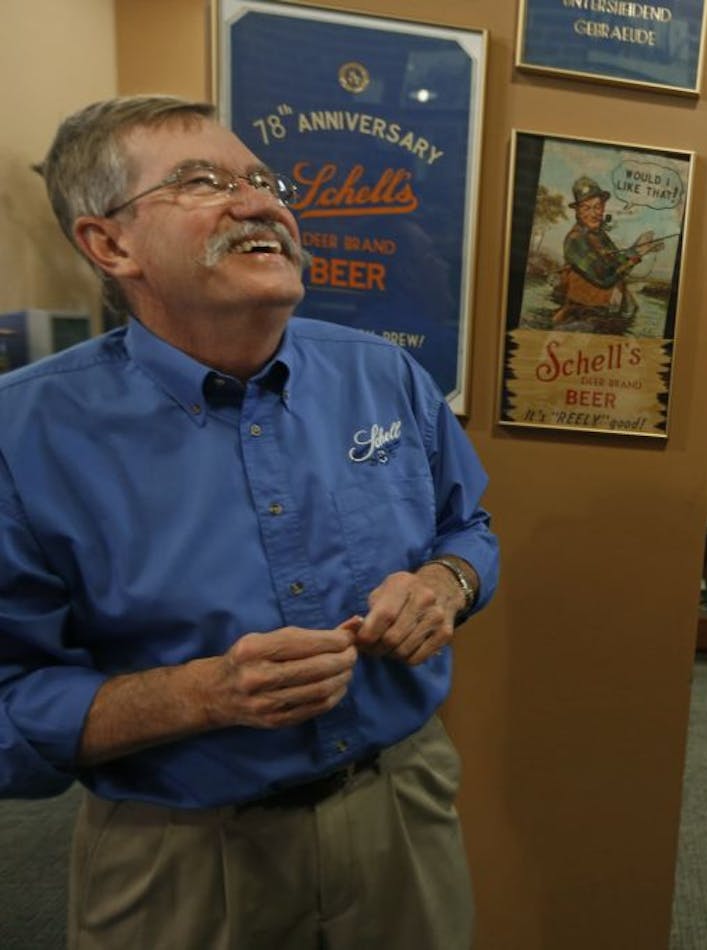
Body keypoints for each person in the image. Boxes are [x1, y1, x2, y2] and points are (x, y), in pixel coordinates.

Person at [0, 95, 499, 949]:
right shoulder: (23, 436)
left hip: (401, 817)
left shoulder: (384, 377)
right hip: (179, 859)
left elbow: (470, 530)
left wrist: (442, 586)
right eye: (202, 182)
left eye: (263, 180)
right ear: (110, 244)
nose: (261, 202)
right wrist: (200, 697)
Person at [552, 174, 657, 328]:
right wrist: (635, 254)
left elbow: (616, 261)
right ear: (577, 212)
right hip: (584, 317)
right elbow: (604, 277)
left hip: (607, 314)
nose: (594, 213)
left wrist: (636, 249)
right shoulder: (575, 240)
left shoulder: (600, 235)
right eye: (586, 208)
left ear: (603, 208)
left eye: (597, 206)